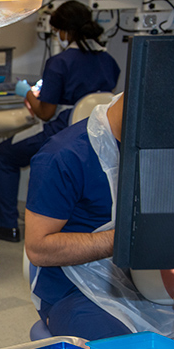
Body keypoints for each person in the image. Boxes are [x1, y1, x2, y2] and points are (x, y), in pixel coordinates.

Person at [25, 94, 174, 339]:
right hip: (74, 292)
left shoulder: (159, 148)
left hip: (145, 280)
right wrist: (128, 238)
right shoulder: (63, 157)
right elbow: (38, 249)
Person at [0, 0, 120, 242]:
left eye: (57, 31)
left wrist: (25, 91)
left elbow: (45, 113)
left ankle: (6, 226)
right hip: (99, 134)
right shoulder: (108, 60)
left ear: (65, 31)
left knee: (4, 154)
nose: (57, 36)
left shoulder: (60, 63)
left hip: (65, 130)